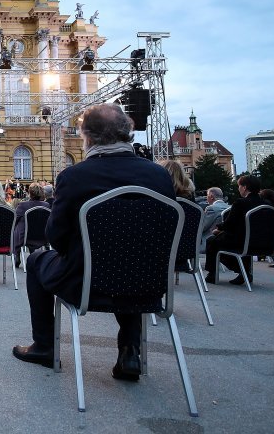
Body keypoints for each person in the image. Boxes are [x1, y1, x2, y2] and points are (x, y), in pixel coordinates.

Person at [12, 103, 175, 382]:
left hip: (87, 283)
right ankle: (130, 350)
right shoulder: (158, 175)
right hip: (149, 283)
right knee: (132, 259)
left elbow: (56, 238)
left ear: (87, 136)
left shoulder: (75, 177)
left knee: (36, 259)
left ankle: (45, 346)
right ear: (128, 133)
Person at [204, 175, 264, 285]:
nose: (238, 189)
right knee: (226, 240)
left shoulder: (241, 203)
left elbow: (229, 224)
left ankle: (212, 274)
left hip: (242, 241)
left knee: (213, 241)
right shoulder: (266, 204)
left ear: (245, 187)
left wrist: (219, 229)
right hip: (263, 243)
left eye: (239, 186)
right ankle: (244, 272)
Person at [12, 184, 50, 267]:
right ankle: (32, 254)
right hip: (42, 235)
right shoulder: (46, 205)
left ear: (30, 193)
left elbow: (15, 220)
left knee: (17, 227)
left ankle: (17, 254)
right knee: (33, 225)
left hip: (25, 236)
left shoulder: (23, 205)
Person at [201, 187, 228, 252]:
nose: (206, 198)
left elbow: (202, 227)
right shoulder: (230, 207)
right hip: (225, 244)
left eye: (207, 196)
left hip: (208, 244)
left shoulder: (211, 208)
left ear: (211, 196)